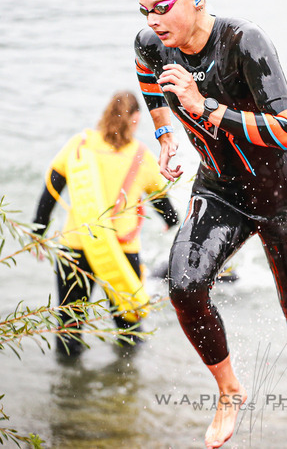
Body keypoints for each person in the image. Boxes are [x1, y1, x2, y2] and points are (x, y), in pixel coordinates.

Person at [134, 0, 287, 448]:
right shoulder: (152, 44)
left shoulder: (244, 41)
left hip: (282, 198)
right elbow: (147, 75)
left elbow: (283, 131)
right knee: (184, 285)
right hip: (220, 190)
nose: (153, 20)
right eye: (144, 9)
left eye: (162, 7)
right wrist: (166, 134)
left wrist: (202, 107)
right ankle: (230, 390)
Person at [32, 91, 181, 356]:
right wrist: (171, 223)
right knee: (129, 329)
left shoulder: (79, 145)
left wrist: (38, 233)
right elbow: (164, 206)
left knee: (70, 329)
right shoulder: (141, 156)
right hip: (121, 254)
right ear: (135, 118)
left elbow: (50, 193)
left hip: (75, 249)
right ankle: (126, 388)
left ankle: (68, 392)